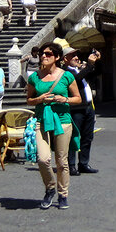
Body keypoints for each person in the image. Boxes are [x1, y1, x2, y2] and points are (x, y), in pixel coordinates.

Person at [27, 43, 81, 209]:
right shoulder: (34, 77)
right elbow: (29, 99)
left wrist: (63, 99)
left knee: (61, 161)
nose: (44, 56)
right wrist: (39, 99)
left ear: (57, 57)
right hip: (41, 120)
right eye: (42, 53)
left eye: (48, 54)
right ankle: (50, 188)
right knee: (43, 159)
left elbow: (78, 98)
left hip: (63, 120)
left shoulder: (67, 76)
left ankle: (63, 194)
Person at [64, 47, 100, 175]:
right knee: (73, 137)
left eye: (76, 55)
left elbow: (94, 74)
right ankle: (71, 165)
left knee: (87, 136)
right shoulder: (66, 72)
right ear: (65, 59)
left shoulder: (78, 69)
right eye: (72, 56)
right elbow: (77, 79)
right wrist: (89, 65)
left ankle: (83, 163)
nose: (76, 57)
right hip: (76, 109)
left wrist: (94, 62)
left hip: (88, 107)